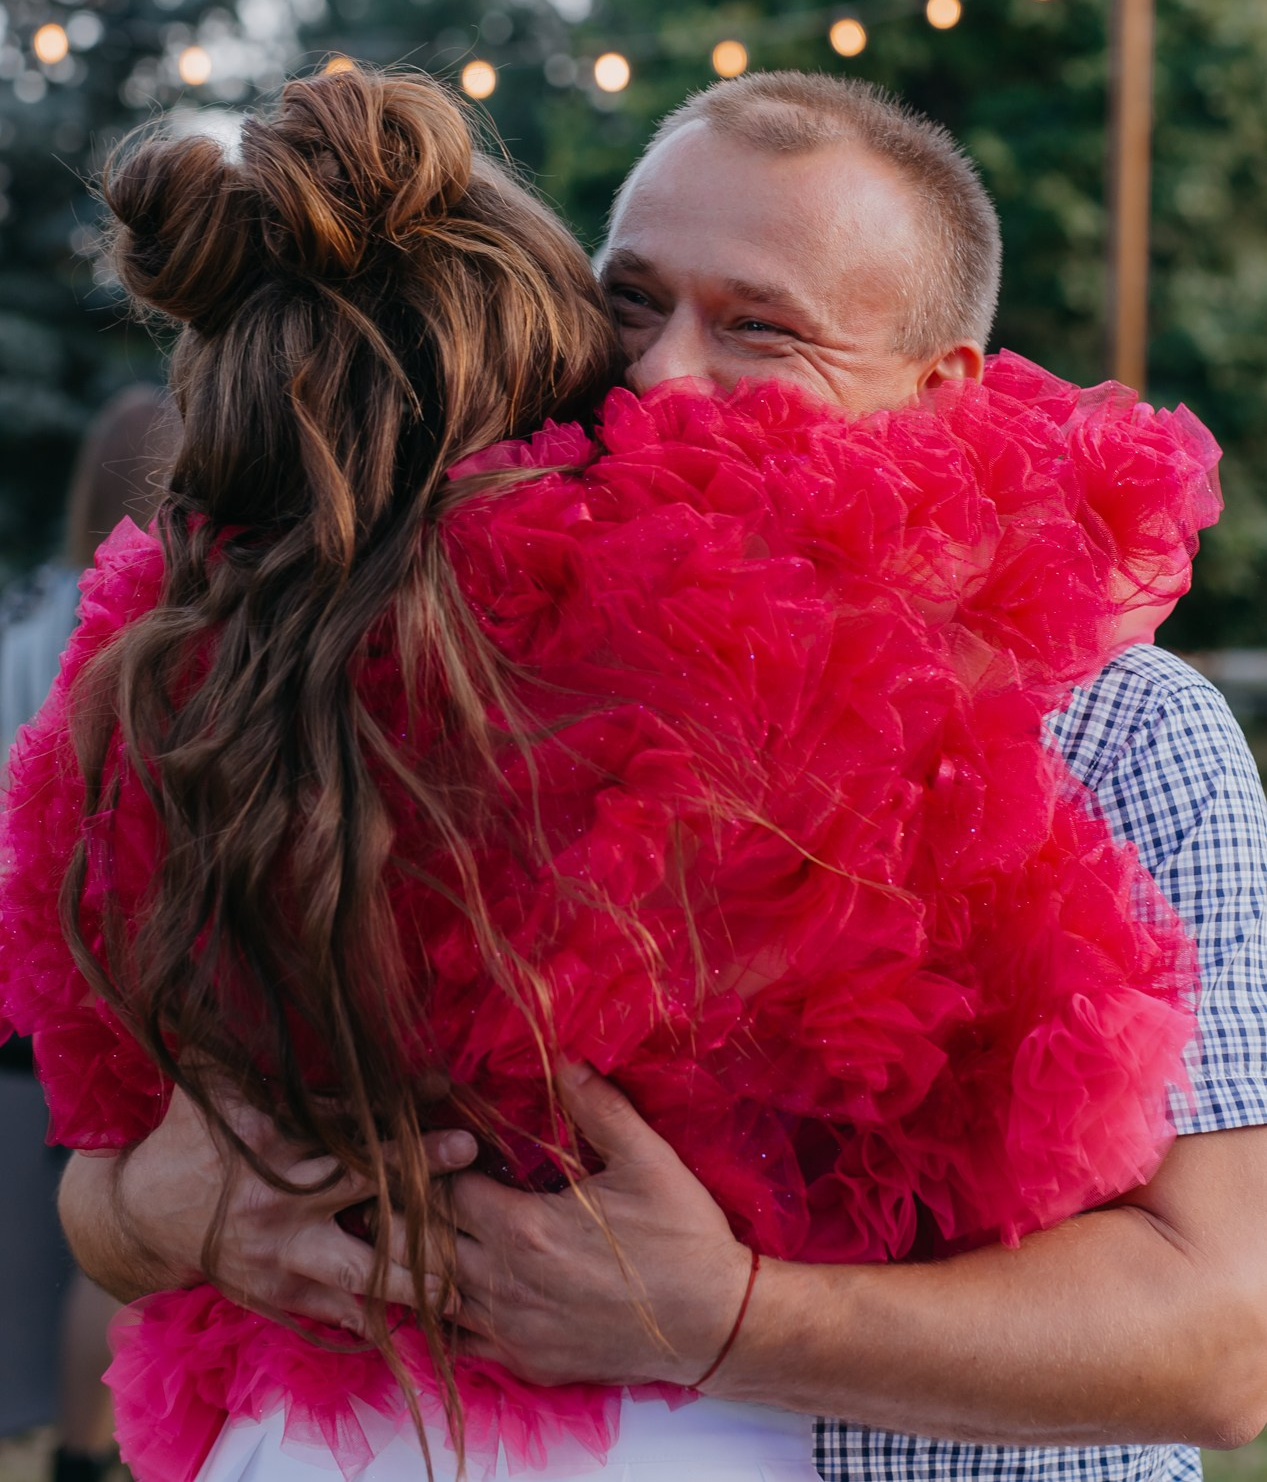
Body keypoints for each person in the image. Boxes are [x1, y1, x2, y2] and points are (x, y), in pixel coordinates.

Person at [33, 71, 1265, 1482]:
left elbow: (1220, 1340)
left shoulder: (1110, 729)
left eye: (758, 328)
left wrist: (728, 1321)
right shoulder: (420, 630)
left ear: (934, 394)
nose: (664, 372)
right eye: (629, 301)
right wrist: (164, 1212)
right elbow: (115, 1181)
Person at [0, 383, 177, 1482]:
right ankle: (83, 1454)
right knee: (103, 1241)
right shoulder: (142, 613)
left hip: (14, 958)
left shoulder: (26, 608)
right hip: (98, 958)